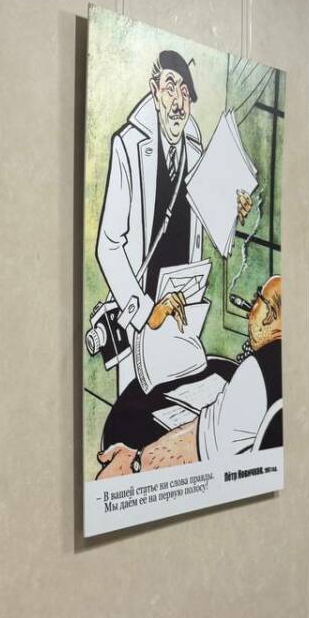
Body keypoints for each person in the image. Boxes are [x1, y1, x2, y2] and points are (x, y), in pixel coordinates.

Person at [94, 50, 249, 445]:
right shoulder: (130, 146)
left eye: (185, 91)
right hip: (142, 319)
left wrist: (233, 211)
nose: (178, 101)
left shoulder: (196, 151)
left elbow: (206, 226)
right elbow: (109, 245)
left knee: (176, 423)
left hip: (181, 315)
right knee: (134, 427)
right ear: (154, 91)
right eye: (169, 87)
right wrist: (147, 310)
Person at [97, 275, 282, 478]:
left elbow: (196, 445)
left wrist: (134, 462)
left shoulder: (255, 372)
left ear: (270, 315)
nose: (250, 308)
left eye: (258, 298)